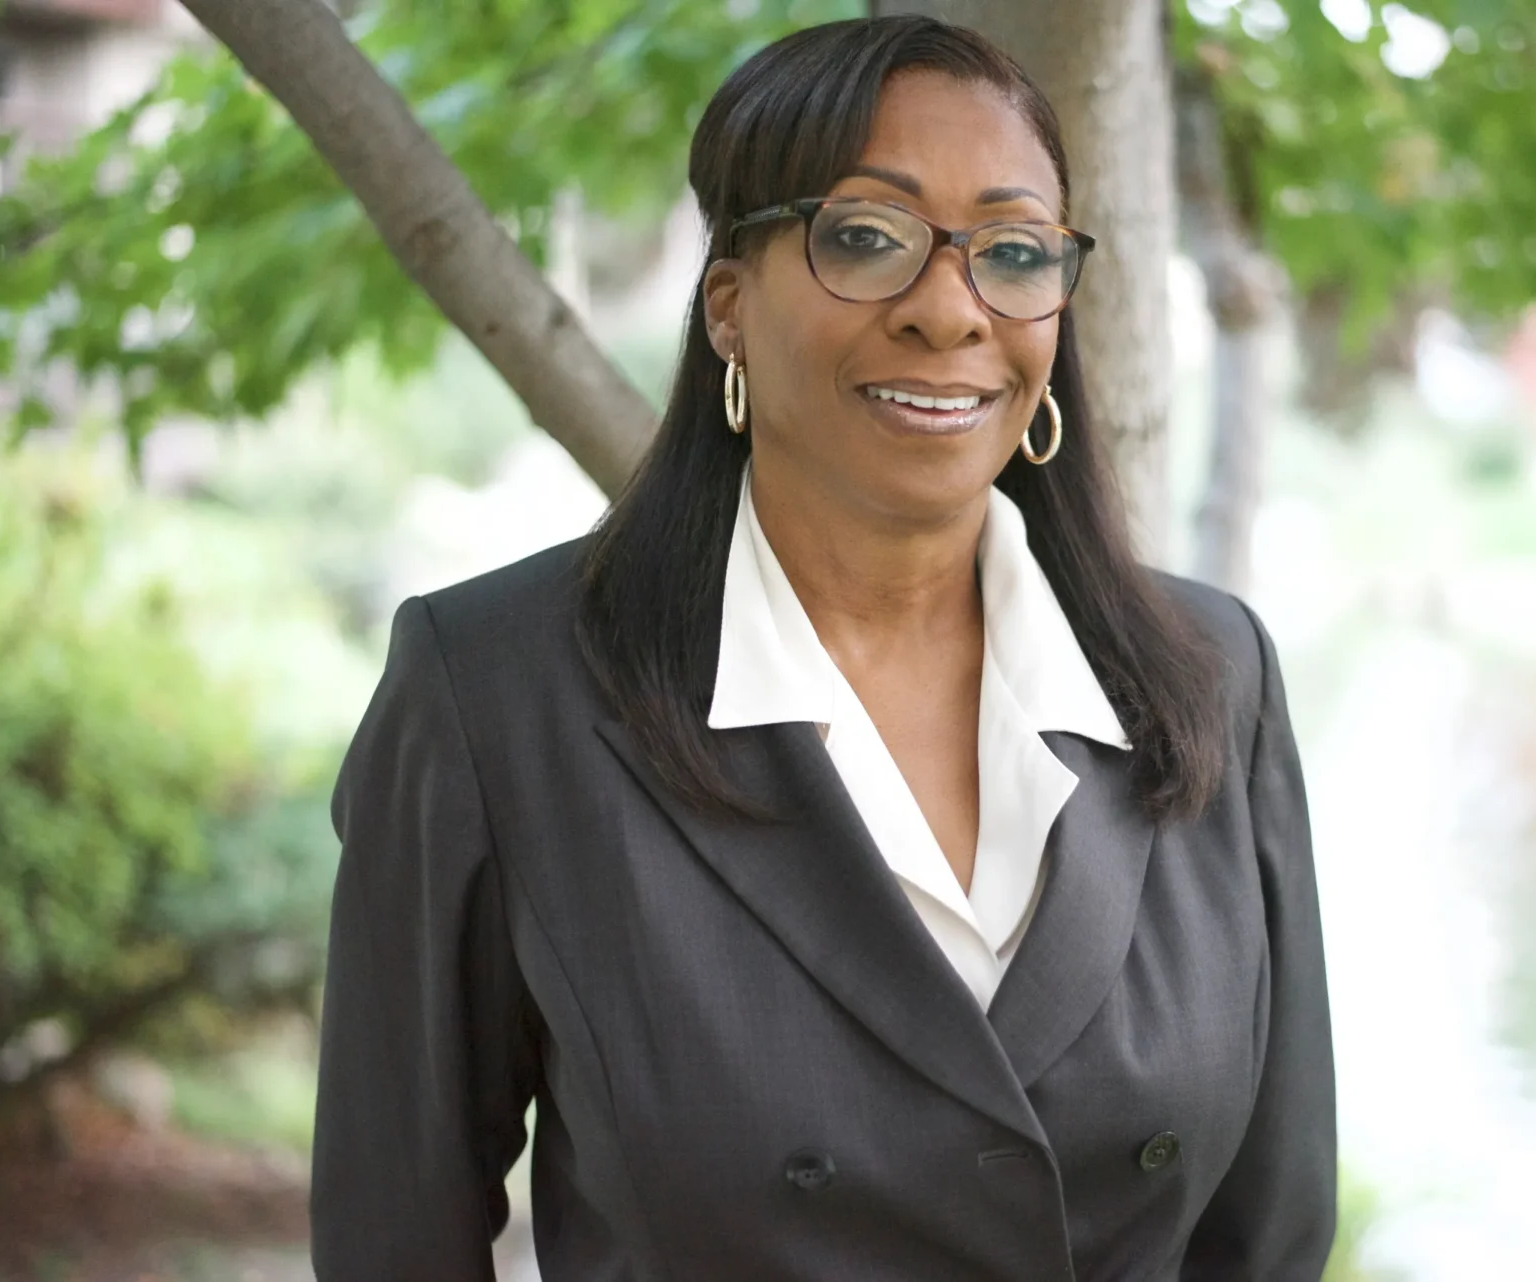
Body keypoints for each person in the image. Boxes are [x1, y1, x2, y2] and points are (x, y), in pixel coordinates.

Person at [310, 15, 1335, 1282]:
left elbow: (1273, 1236)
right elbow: (391, 1242)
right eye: (866, 237)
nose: (950, 311)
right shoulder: (495, 693)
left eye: (1013, 252)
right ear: (729, 303)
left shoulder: (1208, 678)